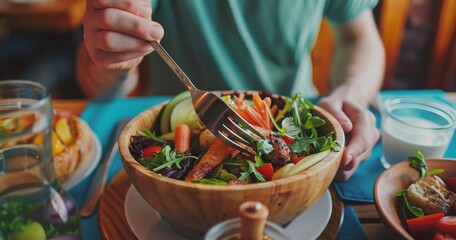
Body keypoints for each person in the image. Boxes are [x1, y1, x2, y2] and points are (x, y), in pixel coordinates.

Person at [76, 0, 384, 181]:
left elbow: (359, 38)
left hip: (293, 120)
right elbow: (96, 85)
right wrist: (112, 55)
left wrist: (351, 92)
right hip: (172, 121)